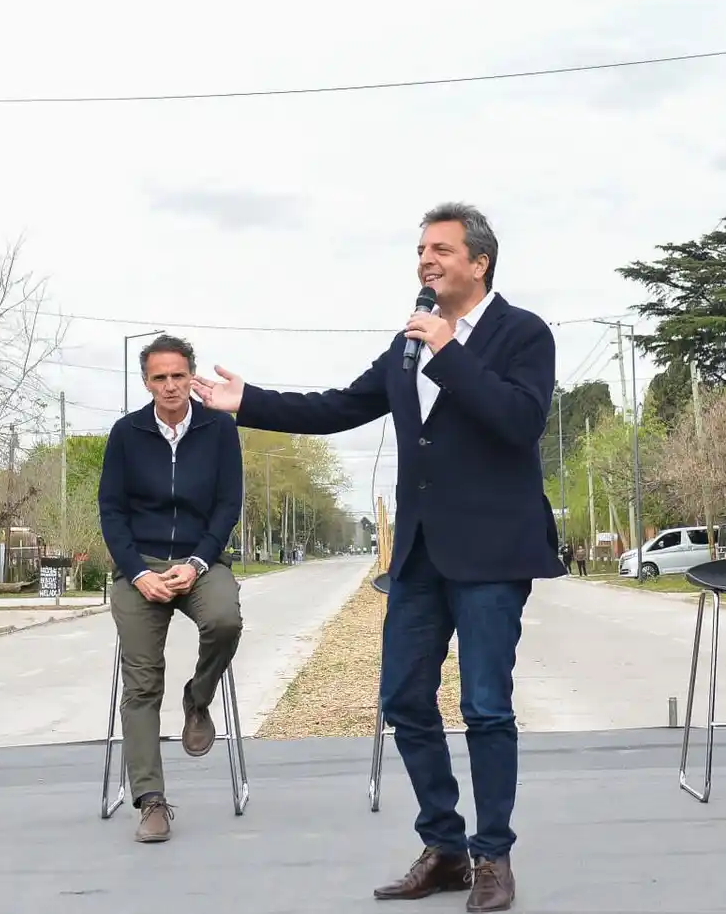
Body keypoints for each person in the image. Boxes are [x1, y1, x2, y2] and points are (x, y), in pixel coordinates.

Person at [193, 202, 561, 913]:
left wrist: (450, 352)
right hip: (420, 554)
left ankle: (493, 855)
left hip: (492, 552)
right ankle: (445, 843)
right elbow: (340, 405)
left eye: (441, 249)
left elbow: (520, 423)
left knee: (486, 706)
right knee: (402, 698)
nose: (426, 260)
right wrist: (247, 402)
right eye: (421, 249)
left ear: (478, 262)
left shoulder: (522, 333)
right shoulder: (408, 343)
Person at [98, 333, 245, 844]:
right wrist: (137, 571)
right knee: (141, 683)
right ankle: (151, 800)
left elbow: (229, 504)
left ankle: (198, 699)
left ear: (191, 377)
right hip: (141, 567)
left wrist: (200, 561)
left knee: (225, 618)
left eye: (177, 376)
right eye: (158, 377)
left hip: (201, 561)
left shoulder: (220, 429)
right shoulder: (126, 433)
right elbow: (111, 512)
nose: (169, 386)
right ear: (146, 382)